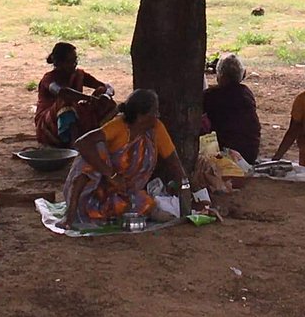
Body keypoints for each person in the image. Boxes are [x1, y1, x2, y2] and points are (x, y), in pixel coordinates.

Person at [62, 89, 189, 227]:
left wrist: (185, 188)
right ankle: (71, 212)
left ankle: (113, 212)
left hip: (121, 193)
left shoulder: (156, 128)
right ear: (141, 116)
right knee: (94, 152)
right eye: (154, 111)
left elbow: (174, 162)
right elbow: (82, 143)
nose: (157, 115)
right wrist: (112, 175)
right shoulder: (119, 126)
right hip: (92, 191)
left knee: (145, 203)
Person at [34, 41, 117, 146]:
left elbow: (107, 87)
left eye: (75, 60)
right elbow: (63, 93)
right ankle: (73, 144)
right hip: (48, 125)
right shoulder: (49, 79)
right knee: (66, 102)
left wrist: (106, 95)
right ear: (59, 63)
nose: (74, 64)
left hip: (73, 114)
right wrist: (90, 99)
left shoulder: (78, 74)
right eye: (69, 61)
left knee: (103, 98)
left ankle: (94, 136)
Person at [202, 52, 261, 164]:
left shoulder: (211, 96)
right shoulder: (246, 93)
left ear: (221, 75)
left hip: (226, 154)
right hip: (250, 152)